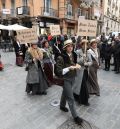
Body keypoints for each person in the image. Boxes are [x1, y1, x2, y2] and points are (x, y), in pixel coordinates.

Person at [55, 39, 83, 125]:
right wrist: (68, 68)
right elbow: (58, 71)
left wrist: (76, 65)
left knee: (65, 92)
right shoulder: (61, 57)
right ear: (65, 47)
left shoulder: (74, 54)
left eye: (72, 46)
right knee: (71, 98)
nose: (71, 48)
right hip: (65, 79)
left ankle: (62, 106)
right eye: (69, 46)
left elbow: (74, 64)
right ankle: (75, 116)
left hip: (73, 78)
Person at [73, 39, 92, 106]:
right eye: (84, 44)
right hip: (80, 71)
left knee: (81, 85)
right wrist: (82, 58)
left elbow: (90, 61)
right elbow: (77, 61)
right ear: (81, 45)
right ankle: (84, 100)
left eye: (86, 44)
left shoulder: (89, 52)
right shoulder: (78, 52)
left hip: (86, 71)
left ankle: (76, 96)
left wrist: (87, 63)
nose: (85, 45)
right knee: (82, 85)